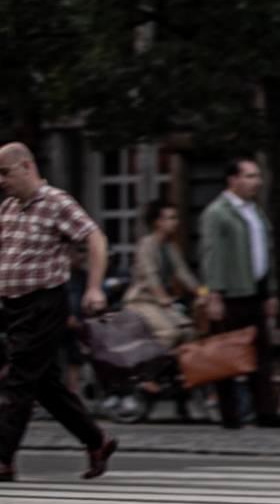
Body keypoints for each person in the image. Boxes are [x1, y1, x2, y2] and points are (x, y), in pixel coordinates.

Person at [0, 142, 117, 482]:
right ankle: (98, 440)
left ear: (26, 167)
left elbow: (95, 238)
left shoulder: (56, 202)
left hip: (44, 303)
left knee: (20, 378)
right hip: (14, 306)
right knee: (45, 384)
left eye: (6, 173)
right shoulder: (8, 208)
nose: (2, 181)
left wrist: (94, 287)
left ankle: (3, 458)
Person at [199, 158, 279, 429]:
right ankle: (230, 414)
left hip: (255, 290)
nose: (256, 181)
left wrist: (271, 291)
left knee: (261, 355)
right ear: (232, 180)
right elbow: (212, 255)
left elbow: (266, 253)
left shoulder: (254, 211)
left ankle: (266, 412)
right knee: (227, 357)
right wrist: (214, 294)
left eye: (257, 176)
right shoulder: (218, 212)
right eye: (250, 176)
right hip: (231, 292)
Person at [127, 199, 198, 349]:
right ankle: (150, 367)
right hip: (142, 301)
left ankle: (178, 370)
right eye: (171, 218)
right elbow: (150, 275)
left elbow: (183, 273)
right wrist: (162, 297)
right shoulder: (146, 245)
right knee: (169, 332)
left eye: (176, 218)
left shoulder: (170, 247)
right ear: (157, 221)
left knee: (189, 331)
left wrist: (203, 292)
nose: (175, 222)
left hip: (162, 303)